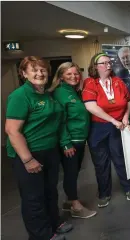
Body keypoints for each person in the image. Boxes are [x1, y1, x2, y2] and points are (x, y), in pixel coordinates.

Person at [5, 56, 73, 240]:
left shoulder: (46, 94)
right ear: (24, 74)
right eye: (34, 70)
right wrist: (28, 159)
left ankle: (54, 223)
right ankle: (42, 236)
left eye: (42, 69)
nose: (39, 73)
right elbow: (12, 131)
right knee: (33, 198)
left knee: (50, 191)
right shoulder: (20, 96)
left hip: (49, 151)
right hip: (29, 153)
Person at [82, 53, 130, 208]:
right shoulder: (90, 83)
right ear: (95, 67)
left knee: (120, 158)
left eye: (109, 62)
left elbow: (128, 101)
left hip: (119, 126)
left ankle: (129, 188)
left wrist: (126, 116)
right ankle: (104, 193)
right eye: (104, 63)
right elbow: (91, 107)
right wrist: (113, 120)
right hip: (99, 128)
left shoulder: (118, 82)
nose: (108, 65)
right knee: (101, 162)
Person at [48, 62, 97, 219]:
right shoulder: (60, 93)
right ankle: (76, 206)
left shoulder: (74, 92)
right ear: (61, 76)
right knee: (70, 173)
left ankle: (69, 202)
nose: (73, 77)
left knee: (74, 172)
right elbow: (59, 121)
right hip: (71, 142)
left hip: (80, 140)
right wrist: (66, 143)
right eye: (69, 74)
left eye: (76, 73)